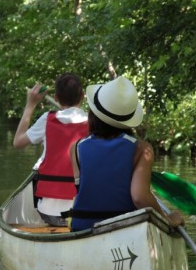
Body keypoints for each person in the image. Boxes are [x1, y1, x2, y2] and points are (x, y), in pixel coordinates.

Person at [67, 75, 185, 231]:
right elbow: (140, 197)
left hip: (83, 227)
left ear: (93, 114)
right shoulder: (143, 149)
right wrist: (167, 219)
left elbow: (84, 189)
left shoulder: (76, 148)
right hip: (126, 228)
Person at [13, 73, 89, 227]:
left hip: (49, 214)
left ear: (55, 97)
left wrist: (30, 105)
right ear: (83, 96)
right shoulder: (94, 123)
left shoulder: (47, 119)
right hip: (81, 212)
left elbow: (18, 142)